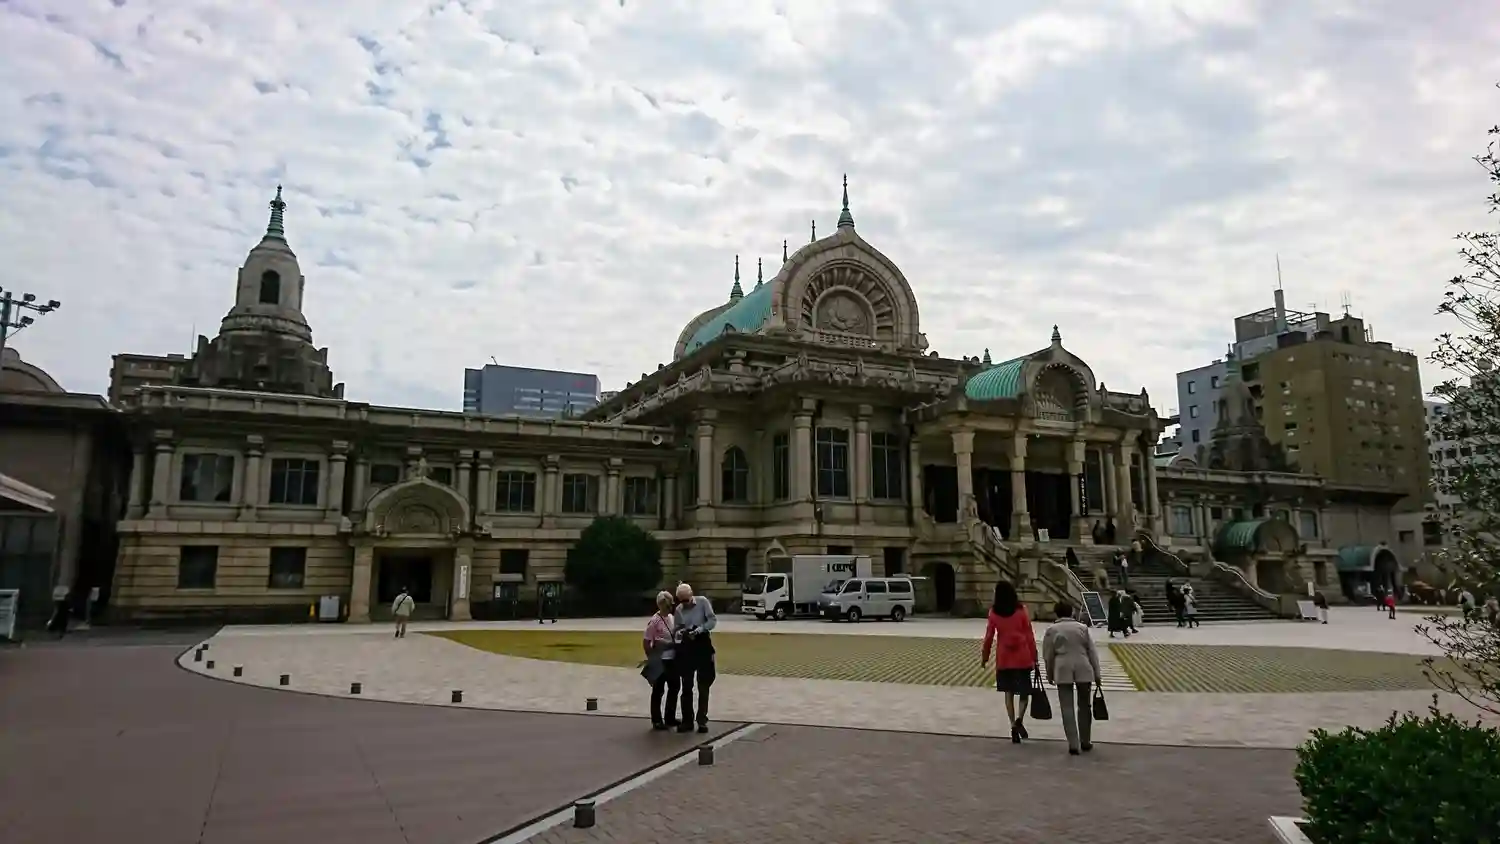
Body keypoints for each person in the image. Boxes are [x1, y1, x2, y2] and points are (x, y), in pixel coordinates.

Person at [981, 580, 1039, 744]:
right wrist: (1034, 656)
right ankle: (1020, 719)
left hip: (1005, 658)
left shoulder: (994, 613)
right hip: (1023, 657)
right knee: (1025, 692)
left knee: (1009, 693)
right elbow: (1029, 635)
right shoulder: (1021, 611)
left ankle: (1013, 724)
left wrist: (985, 657)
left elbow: (989, 637)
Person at [1043, 600, 1102, 756]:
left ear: (1056, 613)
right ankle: (1086, 740)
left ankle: (1073, 743)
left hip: (1062, 667)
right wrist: (1097, 674)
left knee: (1066, 707)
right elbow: (1092, 652)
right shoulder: (1082, 628)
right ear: (1071, 612)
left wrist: (1049, 673)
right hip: (1083, 666)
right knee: (1085, 705)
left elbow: (1048, 655)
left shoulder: (1051, 630)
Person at [672, 583, 717, 733]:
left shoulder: (703, 602)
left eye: (687, 600)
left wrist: (700, 629)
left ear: (692, 595)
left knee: (703, 685)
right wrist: (681, 632)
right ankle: (687, 720)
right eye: (682, 601)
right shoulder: (679, 610)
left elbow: (712, 620)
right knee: (686, 685)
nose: (685, 603)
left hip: (702, 643)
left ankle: (702, 720)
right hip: (687, 647)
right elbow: (677, 628)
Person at [642, 591, 679, 730]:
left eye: (671, 604)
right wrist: (652, 660)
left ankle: (670, 717)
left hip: (672, 659)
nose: (670, 607)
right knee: (658, 690)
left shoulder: (671, 617)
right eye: (668, 605)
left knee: (674, 687)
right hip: (661, 660)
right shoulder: (654, 621)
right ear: (661, 605)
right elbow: (646, 642)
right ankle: (656, 720)